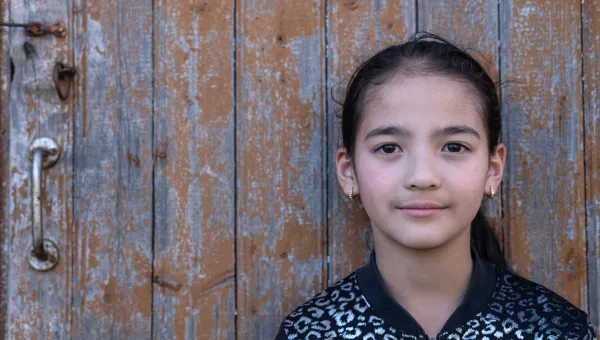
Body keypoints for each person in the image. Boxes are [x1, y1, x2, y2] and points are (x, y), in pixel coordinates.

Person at [275, 32, 597, 339]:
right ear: (349, 171)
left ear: (493, 168)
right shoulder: (310, 332)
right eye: (389, 148)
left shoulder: (556, 330)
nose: (422, 176)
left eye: (454, 147)